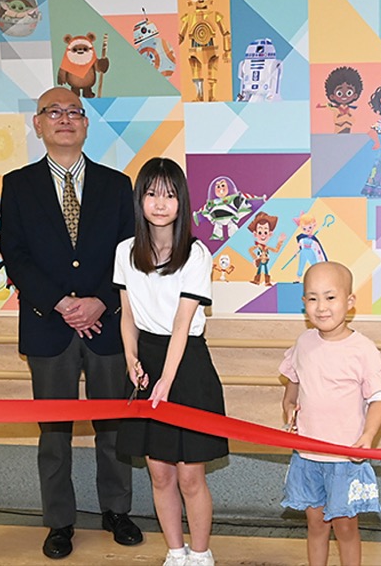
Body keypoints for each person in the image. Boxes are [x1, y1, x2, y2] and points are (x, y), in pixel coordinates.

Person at [0, 87, 141, 559]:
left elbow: (130, 252)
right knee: (54, 433)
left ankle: (117, 511)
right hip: (48, 325)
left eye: (74, 112)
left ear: (85, 123)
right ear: (38, 124)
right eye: (53, 112)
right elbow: (15, 254)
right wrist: (60, 303)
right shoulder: (18, 185)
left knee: (114, 427)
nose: (64, 119)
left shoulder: (116, 185)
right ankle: (59, 521)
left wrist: (100, 301)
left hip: (108, 325)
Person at [115, 157, 228, 566]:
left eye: (169, 194)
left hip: (187, 365)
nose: (160, 203)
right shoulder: (125, 251)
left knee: (190, 475)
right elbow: (127, 316)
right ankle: (175, 553)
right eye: (151, 193)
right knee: (159, 472)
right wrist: (131, 358)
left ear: (182, 201)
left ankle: (200, 554)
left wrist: (166, 380)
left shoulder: (196, 254)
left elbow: (183, 324)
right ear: (140, 200)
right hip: (146, 360)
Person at [280, 261, 381, 566]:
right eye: (312, 298)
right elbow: (293, 384)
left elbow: (379, 400)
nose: (321, 307)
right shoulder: (303, 343)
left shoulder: (363, 349)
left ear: (349, 301)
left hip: (346, 459)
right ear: (304, 302)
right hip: (307, 457)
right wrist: (289, 406)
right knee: (316, 525)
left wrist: (368, 435)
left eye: (330, 297)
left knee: (345, 528)